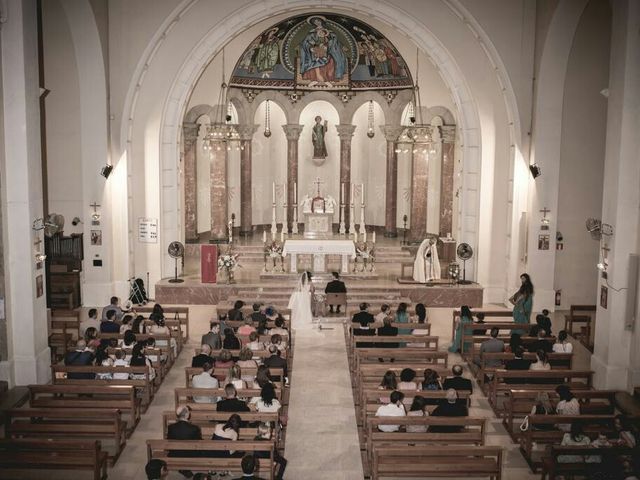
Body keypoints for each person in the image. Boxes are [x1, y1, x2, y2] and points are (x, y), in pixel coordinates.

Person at [167, 405, 202, 479]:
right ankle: (185, 468)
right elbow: (199, 444)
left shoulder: (171, 427)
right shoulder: (194, 428)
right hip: (190, 454)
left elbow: (169, 441)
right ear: (187, 415)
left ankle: (183, 468)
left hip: (175, 453)